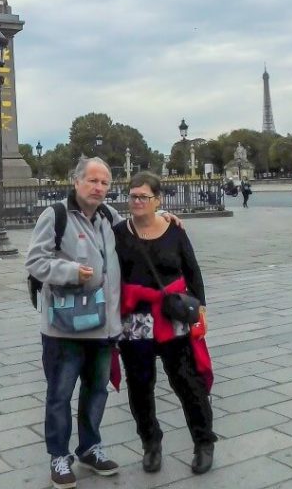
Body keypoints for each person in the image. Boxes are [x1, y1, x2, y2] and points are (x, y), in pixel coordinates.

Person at [25, 158, 122, 489]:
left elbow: (138, 235)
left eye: (104, 182)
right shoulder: (56, 215)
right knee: (60, 393)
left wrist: (165, 218)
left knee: (97, 391)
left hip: (103, 324)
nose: (98, 187)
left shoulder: (110, 217)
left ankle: (89, 448)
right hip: (63, 327)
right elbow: (36, 261)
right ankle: (58, 454)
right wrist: (69, 271)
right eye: (92, 180)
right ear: (76, 181)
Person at [115, 172, 216, 476]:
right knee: (141, 384)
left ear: (158, 200)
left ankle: (203, 441)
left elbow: (192, 269)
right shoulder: (119, 233)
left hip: (173, 315)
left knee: (187, 380)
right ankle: (151, 443)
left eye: (143, 197)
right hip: (136, 319)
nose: (137, 201)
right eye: (132, 196)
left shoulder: (174, 230)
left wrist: (201, 307)